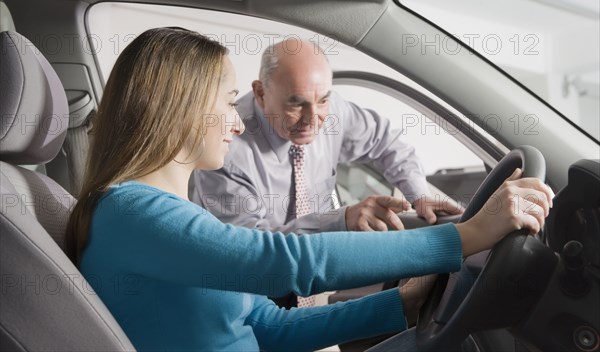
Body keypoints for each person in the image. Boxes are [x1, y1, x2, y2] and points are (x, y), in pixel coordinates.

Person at [66, 27, 552, 352]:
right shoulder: (132, 212)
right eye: (224, 103)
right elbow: (282, 262)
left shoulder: (166, 214)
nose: (237, 123)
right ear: (178, 109)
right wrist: (464, 239)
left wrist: (400, 303)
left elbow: (269, 327)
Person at [190, 38, 464, 236]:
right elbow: (253, 252)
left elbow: (387, 143)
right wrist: (340, 220)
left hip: (313, 279)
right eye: (296, 104)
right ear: (261, 93)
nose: (313, 119)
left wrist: (419, 195)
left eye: (323, 100)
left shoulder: (334, 113)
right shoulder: (226, 151)